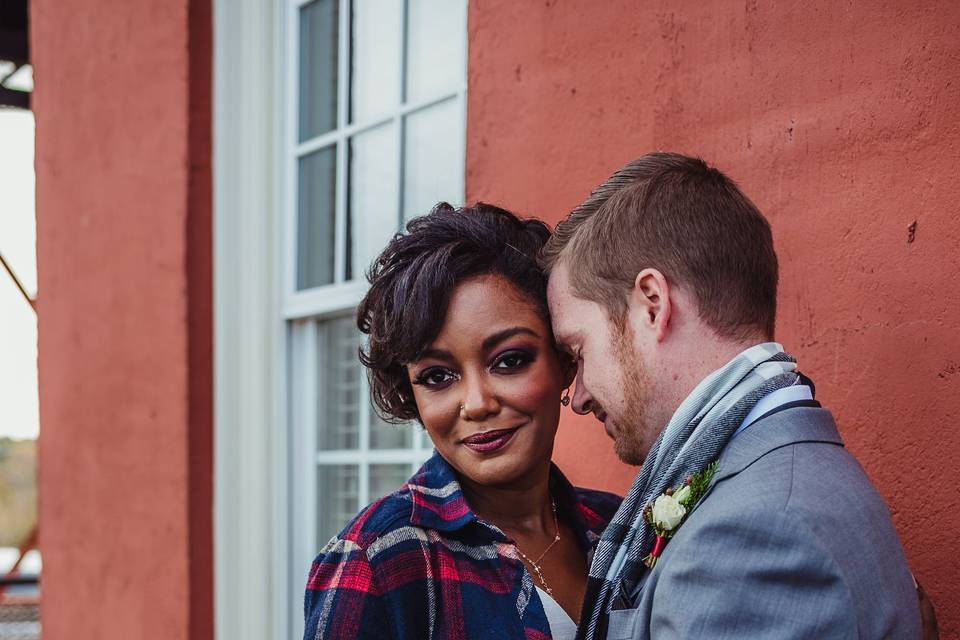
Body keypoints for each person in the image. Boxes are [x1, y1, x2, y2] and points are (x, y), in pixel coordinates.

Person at [539, 152, 922, 639]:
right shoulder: (768, 476)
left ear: (652, 305)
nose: (578, 396)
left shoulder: (755, 533)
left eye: (579, 350)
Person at [303, 203, 621, 639]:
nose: (475, 404)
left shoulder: (618, 527)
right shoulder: (376, 561)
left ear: (564, 360)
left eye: (509, 360)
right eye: (437, 376)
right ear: (409, 391)